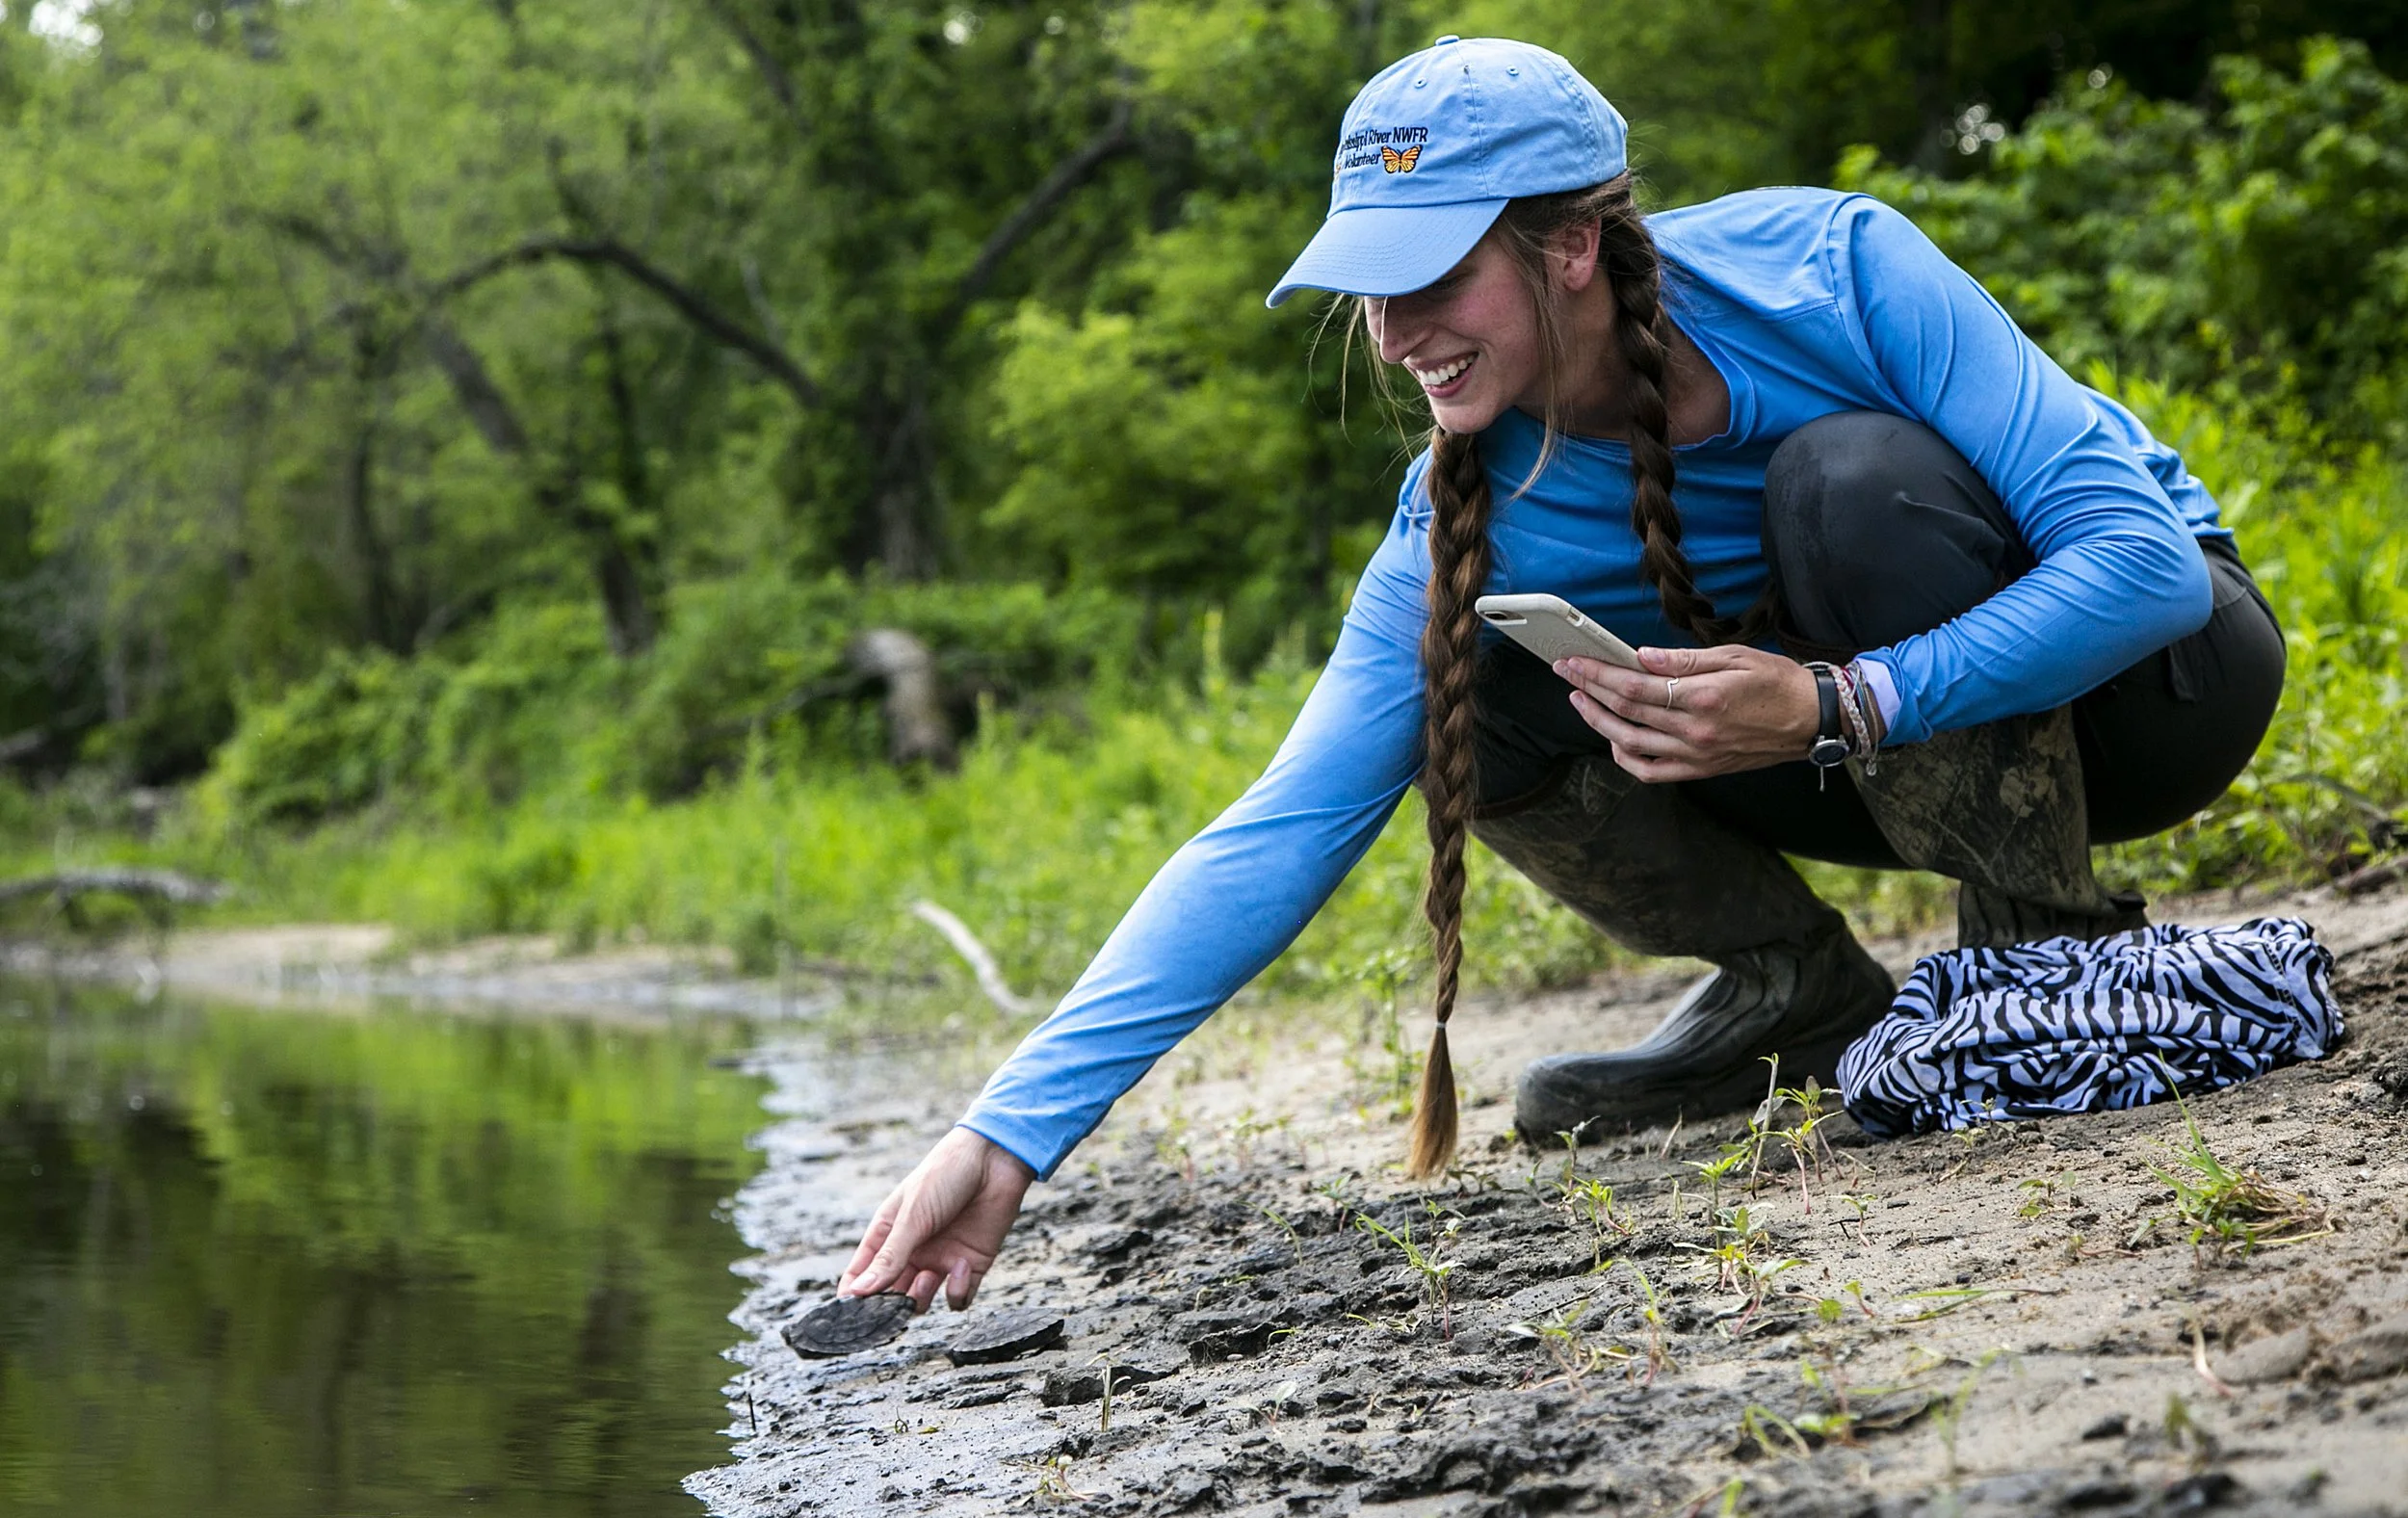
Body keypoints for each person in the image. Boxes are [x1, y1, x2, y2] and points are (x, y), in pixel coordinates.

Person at [841, 37, 2285, 1313]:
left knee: (1845, 479)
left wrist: (1841, 702)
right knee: (1471, 673)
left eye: (1430, 275)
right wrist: (1005, 1132)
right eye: (1369, 288)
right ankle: (1799, 990)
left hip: (2157, 691)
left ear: (1573, 246)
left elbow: (2146, 570)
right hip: (1859, 753)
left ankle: (2041, 959)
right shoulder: (1452, 516)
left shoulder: (1832, 267)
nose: (1395, 334)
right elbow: (1279, 825)